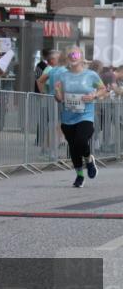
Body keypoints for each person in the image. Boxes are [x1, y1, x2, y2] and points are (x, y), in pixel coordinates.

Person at [54, 46, 108, 188]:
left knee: (81, 140)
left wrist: (94, 95)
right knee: (73, 146)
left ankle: (89, 160)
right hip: (67, 117)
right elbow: (59, 98)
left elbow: (103, 90)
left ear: (81, 57)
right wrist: (58, 92)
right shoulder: (63, 75)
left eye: (75, 53)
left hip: (85, 115)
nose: (72, 56)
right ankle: (79, 175)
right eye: (69, 54)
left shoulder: (91, 75)